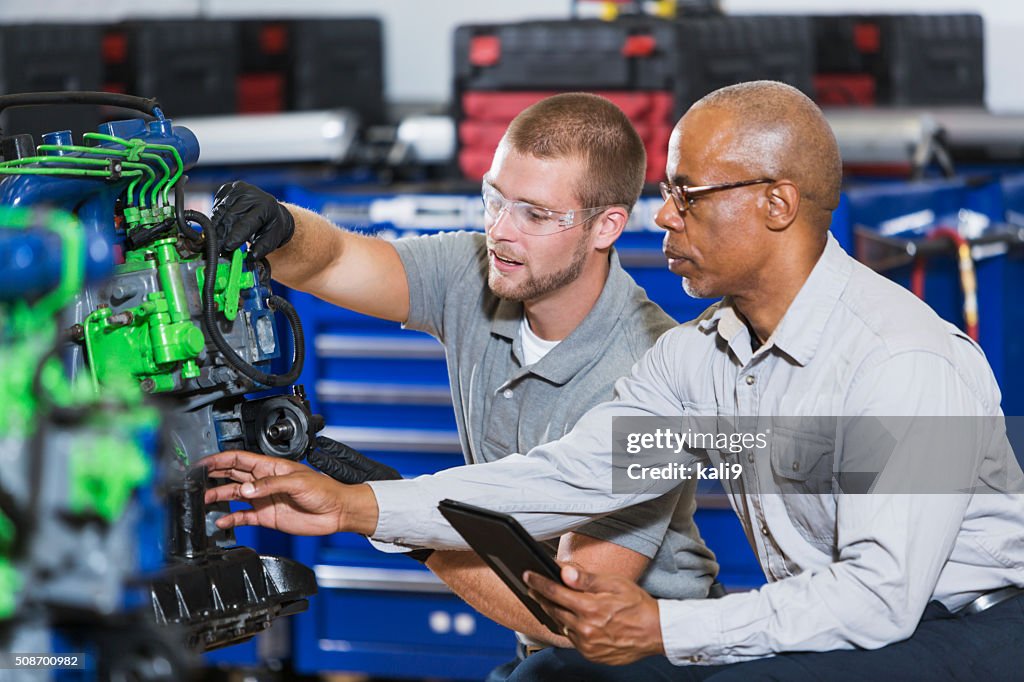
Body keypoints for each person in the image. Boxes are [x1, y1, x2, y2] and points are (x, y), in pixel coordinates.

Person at [204, 81, 1024, 680]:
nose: (660, 215)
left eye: (687, 195)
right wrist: (359, 503)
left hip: (963, 630)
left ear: (777, 203)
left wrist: (667, 627)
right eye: (665, 192)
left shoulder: (902, 362)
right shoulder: (705, 359)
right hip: (841, 618)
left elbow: (880, 601)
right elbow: (577, 473)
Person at [208, 92, 717, 663]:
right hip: (546, 649)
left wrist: (398, 520)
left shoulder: (652, 369)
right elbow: (331, 261)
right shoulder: (476, 270)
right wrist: (282, 227)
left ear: (606, 227)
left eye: (536, 214)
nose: (502, 230)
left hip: (650, 658)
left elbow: (573, 614)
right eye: (494, 198)